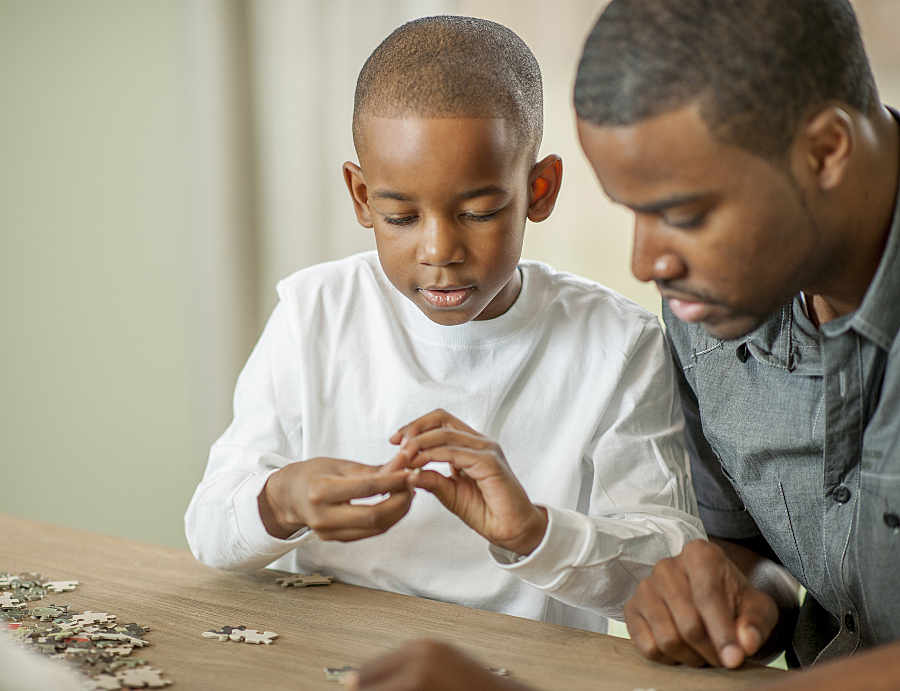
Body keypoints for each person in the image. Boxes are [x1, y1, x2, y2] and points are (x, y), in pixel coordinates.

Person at [347, 0, 900, 689]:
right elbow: (760, 558)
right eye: (634, 210)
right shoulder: (715, 301)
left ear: (825, 152)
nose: (646, 263)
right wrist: (736, 593)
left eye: (684, 213)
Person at [184, 15, 704, 634]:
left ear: (539, 189)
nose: (439, 250)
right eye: (400, 217)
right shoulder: (315, 313)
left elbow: (674, 566)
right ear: (360, 197)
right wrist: (281, 500)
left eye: (479, 212)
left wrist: (535, 531)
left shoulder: (617, 344)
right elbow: (209, 529)